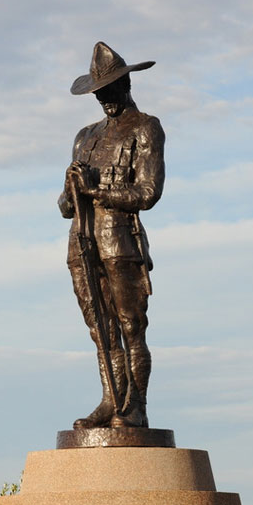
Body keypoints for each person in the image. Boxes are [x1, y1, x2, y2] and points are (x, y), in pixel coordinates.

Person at [58, 42, 165, 429]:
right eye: (98, 92)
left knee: (131, 324)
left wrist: (95, 191)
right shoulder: (85, 136)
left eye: (109, 90)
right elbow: (64, 206)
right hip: (82, 243)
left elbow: (148, 192)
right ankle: (110, 400)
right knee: (98, 326)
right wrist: (72, 187)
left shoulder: (146, 127)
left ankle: (135, 406)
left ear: (126, 83)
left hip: (121, 242)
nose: (104, 98)